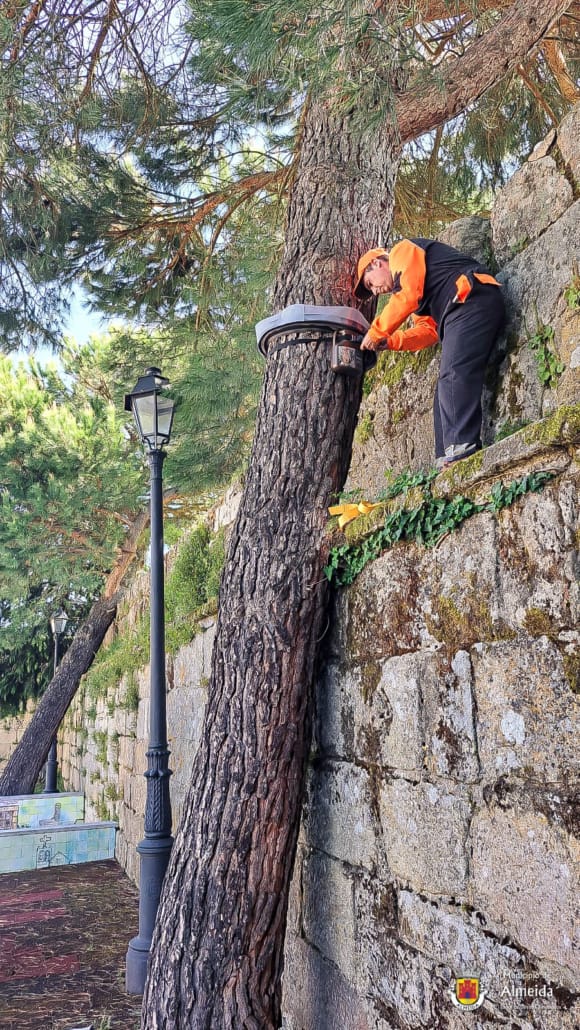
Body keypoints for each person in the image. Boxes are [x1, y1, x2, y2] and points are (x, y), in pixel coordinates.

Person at [354, 238, 506, 469]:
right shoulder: (415, 292)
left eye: (370, 283)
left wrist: (376, 332)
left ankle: (462, 449)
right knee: (444, 390)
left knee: (453, 374)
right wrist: (390, 341)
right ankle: (445, 456)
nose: (375, 291)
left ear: (376, 263)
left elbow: (407, 294)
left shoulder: (402, 251)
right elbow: (429, 331)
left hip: (471, 297)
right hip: (459, 311)